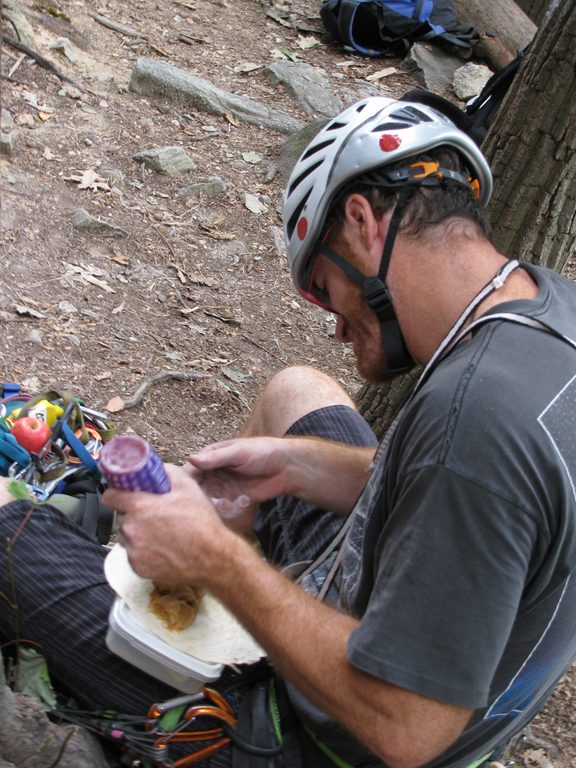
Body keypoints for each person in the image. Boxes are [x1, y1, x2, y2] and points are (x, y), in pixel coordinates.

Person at [1, 95, 576, 768]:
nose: (336, 324)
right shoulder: (543, 313)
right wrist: (295, 465)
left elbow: (405, 729)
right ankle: (143, 549)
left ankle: (148, 578)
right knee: (295, 391)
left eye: (326, 288)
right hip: (409, 622)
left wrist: (221, 561)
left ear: (362, 222)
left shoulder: (472, 420)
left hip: (314, 738)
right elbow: (470, 501)